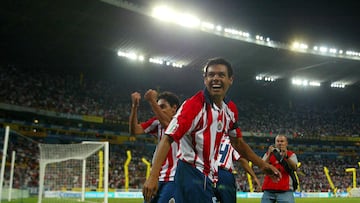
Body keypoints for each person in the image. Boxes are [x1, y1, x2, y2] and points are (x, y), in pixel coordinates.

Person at [142, 57, 281, 203]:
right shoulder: (193, 106)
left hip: (209, 175)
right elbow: (167, 138)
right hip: (191, 172)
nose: (215, 78)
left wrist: (263, 165)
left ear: (230, 79)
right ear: (205, 79)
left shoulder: (230, 109)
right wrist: (153, 176)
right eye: (211, 75)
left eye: (221, 75)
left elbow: (238, 143)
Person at [129, 89, 180, 203]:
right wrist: (134, 107)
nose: (158, 110)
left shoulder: (181, 121)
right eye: (158, 106)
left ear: (174, 108)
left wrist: (152, 101)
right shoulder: (157, 123)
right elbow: (134, 130)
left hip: (173, 179)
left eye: (163, 106)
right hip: (156, 178)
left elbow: (169, 125)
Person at [215, 135, 261, 203]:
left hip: (207, 172)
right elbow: (242, 160)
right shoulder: (232, 141)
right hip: (224, 174)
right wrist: (254, 177)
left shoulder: (211, 137)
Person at [261, 134, 298, 203]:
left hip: (285, 189)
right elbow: (262, 167)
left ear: (286, 143)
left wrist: (286, 157)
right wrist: (269, 155)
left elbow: (294, 168)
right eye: (277, 141)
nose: (279, 143)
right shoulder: (268, 154)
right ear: (275, 143)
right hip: (269, 188)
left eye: (282, 141)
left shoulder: (291, 154)